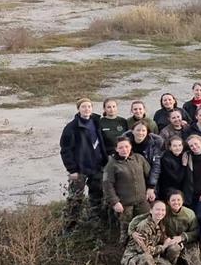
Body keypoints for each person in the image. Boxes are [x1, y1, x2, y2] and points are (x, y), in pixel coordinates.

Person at [60, 97, 108, 230]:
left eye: (89, 106)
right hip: (80, 168)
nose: (87, 109)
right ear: (78, 109)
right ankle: (70, 226)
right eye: (83, 107)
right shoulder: (72, 127)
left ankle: (95, 221)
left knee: (96, 194)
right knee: (75, 198)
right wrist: (72, 170)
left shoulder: (96, 122)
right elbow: (65, 150)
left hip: (97, 166)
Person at [103, 136, 151, 244]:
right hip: (125, 204)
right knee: (126, 229)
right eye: (121, 148)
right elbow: (107, 185)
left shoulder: (139, 158)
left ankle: (145, 246)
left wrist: (151, 189)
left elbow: (150, 175)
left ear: (130, 147)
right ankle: (123, 248)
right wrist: (115, 202)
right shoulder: (111, 165)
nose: (124, 150)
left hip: (142, 201)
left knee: (146, 224)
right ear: (116, 149)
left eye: (126, 146)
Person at [121, 201, 176, 265]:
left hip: (151, 256)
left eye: (163, 210)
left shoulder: (160, 224)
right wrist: (163, 247)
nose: (160, 212)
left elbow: (163, 238)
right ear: (151, 211)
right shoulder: (143, 226)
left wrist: (171, 241)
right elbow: (145, 250)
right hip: (134, 258)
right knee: (147, 258)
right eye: (157, 209)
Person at [162, 190, 201, 265]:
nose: (176, 202)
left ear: (182, 201)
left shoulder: (189, 213)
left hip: (187, 244)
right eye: (173, 200)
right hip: (170, 243)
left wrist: (182, 237)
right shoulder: (163, 212)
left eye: (178, 200)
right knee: (174, 249)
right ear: (168, 202)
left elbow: (196, 231)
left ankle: (183, 259)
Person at [125, 120, 164, 198]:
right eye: (138, 130)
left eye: (143, 130)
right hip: (129, 179)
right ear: (132, 131)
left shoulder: (154, 145)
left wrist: (151, 186)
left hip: (148, 177)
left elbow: (156, 166)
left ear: (147, 132)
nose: (140, 133)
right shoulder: (125, 144)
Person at [157, 137, 190, 201]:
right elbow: (177, 179)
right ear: (170, 147)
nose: (178, 148)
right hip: (169, 191)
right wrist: (184, 166)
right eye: (174, 146)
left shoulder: (183, 155)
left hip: (181, 190)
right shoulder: (165, 159)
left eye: (180, 145)